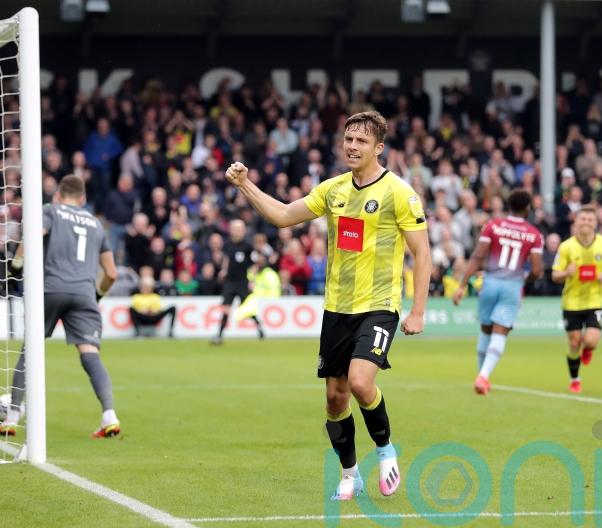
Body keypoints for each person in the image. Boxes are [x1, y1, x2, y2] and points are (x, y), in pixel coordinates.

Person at [225, 111, 431, 502]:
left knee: (359, 383)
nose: (352, 146)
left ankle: (386, 451)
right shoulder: (333, 189)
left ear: (379, 148)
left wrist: (417, 310)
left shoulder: (399, 193)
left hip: (379, 306)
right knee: (335, 398)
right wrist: (245, 184)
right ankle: (350, 475)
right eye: (348, 139)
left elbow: (422, 253)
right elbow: (284, 216)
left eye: (361, 141)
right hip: (337, 308)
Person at [0, 175, 121, 438]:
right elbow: (111, 273)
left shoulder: (50, 210)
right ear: (83, 198)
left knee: (30, 349)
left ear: (59, 196)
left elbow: (33, 235)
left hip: (50, 289)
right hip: (85, 294)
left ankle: (13, 417)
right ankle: (109, 415)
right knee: (90, 355)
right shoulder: (96, 224)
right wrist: (96, 295)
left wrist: (16, 266)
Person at [452, 189, 544, 395]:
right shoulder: (534, 234)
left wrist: (462, 285)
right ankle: (483, 376)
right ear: (528, 208)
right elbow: (537, 271)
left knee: (486, 329)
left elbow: (476, 257)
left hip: (490, 282)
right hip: (512, 285)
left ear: (508, 206)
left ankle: (481, 374)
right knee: (500, 331)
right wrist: (524, 279)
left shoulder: (493, 225)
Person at [551, 205, 602, 393]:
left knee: (591, 341)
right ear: (576, 221)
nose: (586, 223)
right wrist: (566, 273)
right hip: (571, 302)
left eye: (590, 220)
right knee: (573, 343)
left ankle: (588, 350)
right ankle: (575, 379)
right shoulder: (566, 247)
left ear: (596, 223)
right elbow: (555, 276)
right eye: (583, 219)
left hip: (595, 300)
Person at [211, 219, 264, 345]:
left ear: (243, 231)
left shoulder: (247, 247)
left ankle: (259, 327)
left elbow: (254, 265)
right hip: (230, 281)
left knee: (246, 309)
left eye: (239, 229)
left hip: (242, 282)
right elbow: (226, 259)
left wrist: (252, 280)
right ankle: (219, 335)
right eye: (234, 229)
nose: (237, 231)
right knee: (226, 309)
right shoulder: (227, 245)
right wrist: (223, 270)